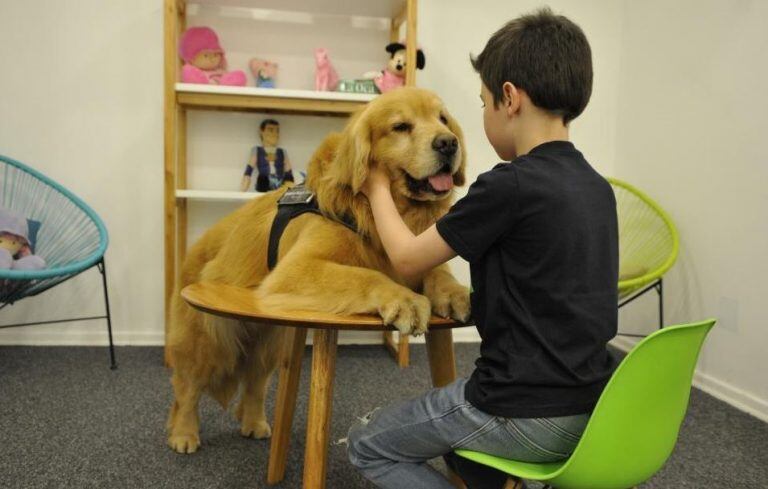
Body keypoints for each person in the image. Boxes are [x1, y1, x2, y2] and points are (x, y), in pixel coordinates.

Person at [347, 7, 619, 489]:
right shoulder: (597, 187)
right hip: (599, 412)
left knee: (366, 443)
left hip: (517, 409)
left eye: (483, 102)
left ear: (509, 99)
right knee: (464, 451)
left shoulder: (507, 187)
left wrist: (375, 188)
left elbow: (407, 258)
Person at [240, 119, 294, 192]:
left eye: (277, 131)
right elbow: (248, 171)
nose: (275, 134)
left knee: (288, 177)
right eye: (271, 130)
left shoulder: (282, 152)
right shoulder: (256, 150)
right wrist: (242, 191)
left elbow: (289, 172)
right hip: (263, 183)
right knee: (263, 178)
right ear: (262, 132)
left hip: (279, 183)